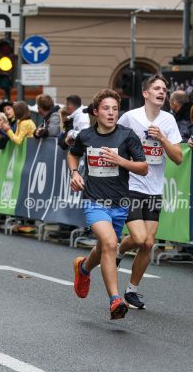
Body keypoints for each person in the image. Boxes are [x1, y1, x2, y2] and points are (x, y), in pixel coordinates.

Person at [69, 88, 148, 320]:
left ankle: (83, 268)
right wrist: (74, 172)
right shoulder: (86, 136)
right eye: (106, 108)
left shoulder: (127, 135)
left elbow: (143, 168)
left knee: (106, 247)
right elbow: (73, 154)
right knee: (110, 243)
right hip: (94, 201)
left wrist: (121, 160)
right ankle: (115, 300)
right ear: (96, 112)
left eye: (115, 109)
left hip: (120, 203)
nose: (111, 113)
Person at [115, 75, 183, 309]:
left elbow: (178, 158)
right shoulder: (130, 117)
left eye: (164, 89)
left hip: (154, 188)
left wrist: (162, 138)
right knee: (138, 238)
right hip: (132, 184)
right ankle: (119, 250)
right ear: (145, 93)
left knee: (148, 243)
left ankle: (132, 290)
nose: (161, 92)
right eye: (156, 88)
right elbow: (115, 140)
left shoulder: (168, 120)